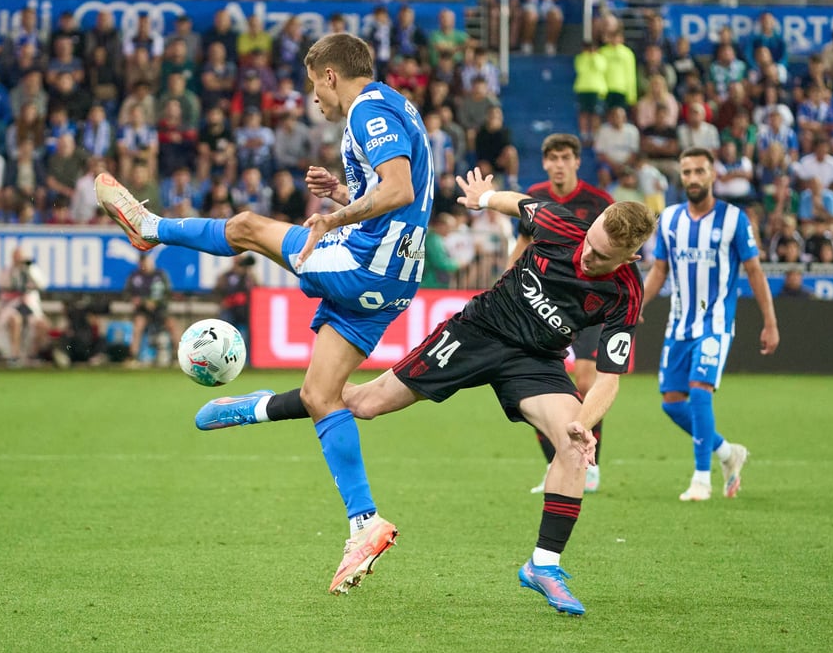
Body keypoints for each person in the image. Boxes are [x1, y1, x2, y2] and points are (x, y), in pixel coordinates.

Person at [195, 168, 655, 615]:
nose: (585, 257)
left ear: (629, 259)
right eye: (590, 242)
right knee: (365, 403)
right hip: (479, 331)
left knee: (573, 450)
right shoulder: (562, 225)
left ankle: (544, 566)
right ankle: (258, 408)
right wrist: (483, 199)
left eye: (599, 257)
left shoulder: (625, 294)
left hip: (536, 362)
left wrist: (582, 424)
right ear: (591, 224)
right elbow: (519, 204)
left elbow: (609, 378)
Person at [96, 32, 434, 594]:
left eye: (313, 87)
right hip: (397, 276)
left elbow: (397, 189)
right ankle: (363, 521)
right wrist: (342, 191)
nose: (315, 101)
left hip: (364, 261)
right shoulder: (400, 106)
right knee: (322, 395)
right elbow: (401, 184)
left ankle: (148, 228)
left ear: (330, 75)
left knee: (249, 226)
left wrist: (337, 216)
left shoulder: (367, 109)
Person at [640, 148, 780, 502]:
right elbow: (659, 270)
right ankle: (727, 453)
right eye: (686, 172)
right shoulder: (670, 219)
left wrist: (770, 323)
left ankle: (701, 479)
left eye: (699, 171)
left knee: (700, 391)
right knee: (672, 403)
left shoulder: (734, 219)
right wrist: (635, 306)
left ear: (713, 174)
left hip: (715, 324)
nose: (692, 178)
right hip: (679, 324)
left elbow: (754, 272)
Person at [522, 133, 615, 494]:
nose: (559, 164)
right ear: (545, 163)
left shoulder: (598, 202)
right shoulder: (535, 197)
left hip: (591, 305)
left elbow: (619, 247)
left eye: (566, 158)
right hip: (546, 304)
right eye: (553, 158)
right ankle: (555, 465)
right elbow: (523, 243)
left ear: (577, 161)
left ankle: (590, 465)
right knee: (537, 387)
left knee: (587, 384)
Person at [124, 253, 181, 364]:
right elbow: (126, 294)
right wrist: (140, 301)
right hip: (142, 310)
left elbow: (168, 293)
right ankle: (132, 357)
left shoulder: (160, 275)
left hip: (160, 309)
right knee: (138, 326)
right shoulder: (134, 276)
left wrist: (156, 302)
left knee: (173, 325)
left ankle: (179, 356)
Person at [0, 247, 49, 365]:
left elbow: (42, 284)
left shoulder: (31, 269)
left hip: (29, 306)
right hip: (12, 305)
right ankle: (15, 355)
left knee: (42, 324)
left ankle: (34, 355)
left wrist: (29, 269)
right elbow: (5, 285)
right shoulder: (7, 270)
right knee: (15, 320)